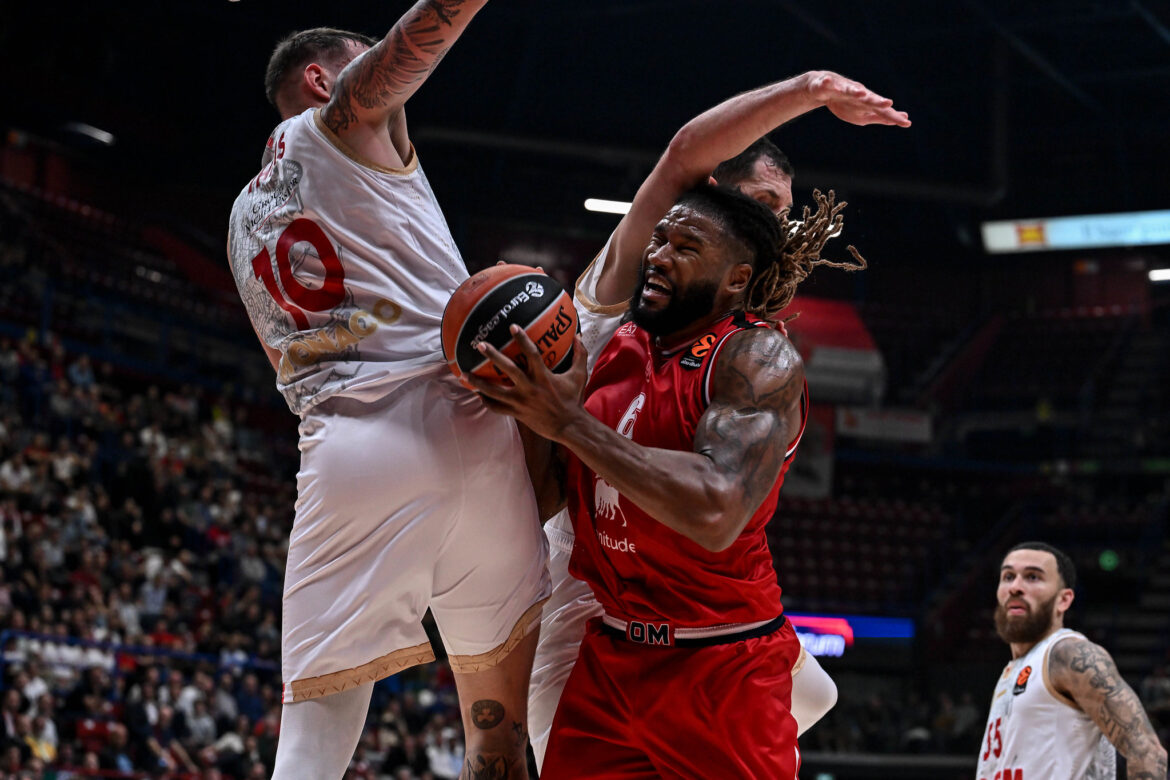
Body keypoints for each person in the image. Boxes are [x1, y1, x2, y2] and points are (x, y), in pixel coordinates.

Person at [527, 71, 911, 768]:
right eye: (764, 202)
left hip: (701, 628)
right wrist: (811, 90)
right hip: (580, 581)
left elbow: (717, 502)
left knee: (800, 685)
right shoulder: (627, 286)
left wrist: (566, 425)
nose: (782, 224)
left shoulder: (753, 344)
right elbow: (681, 156)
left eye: (786, 211)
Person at [226, 4, 548, 777]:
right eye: (366, 61)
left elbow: (290, 362)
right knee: (500, 738)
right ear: (321, 77)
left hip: (352, 453)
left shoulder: (242, 217)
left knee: (309, 751)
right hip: (475, 428)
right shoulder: (338, 125)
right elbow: (397, 62)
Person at [472, 179, 880, 777]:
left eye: (686, 247)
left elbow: (716, 510)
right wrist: (531, 407)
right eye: (659, 240)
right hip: (611, 657)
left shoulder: (756, 360)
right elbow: (550, 496)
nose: (659, 256)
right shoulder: (619, 347)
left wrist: (565, 421)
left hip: (722, 664)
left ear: (736, 279)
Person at [978, 542, 1167, 780]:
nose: (1015, 587)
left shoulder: (1069, 654)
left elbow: (1147, 752)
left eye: (1033, 577)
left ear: (1063, 600)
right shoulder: (1013, 669)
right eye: (1008, 576)